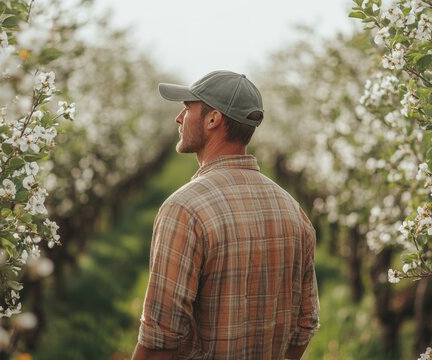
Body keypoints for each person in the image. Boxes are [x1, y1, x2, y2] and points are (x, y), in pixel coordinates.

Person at [132, 70, 319, 360]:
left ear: (212, 119)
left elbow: (161, 338)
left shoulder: (183, 210)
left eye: (186, 109)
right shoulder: (293, 210)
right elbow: (305, 323)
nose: (178, 119)